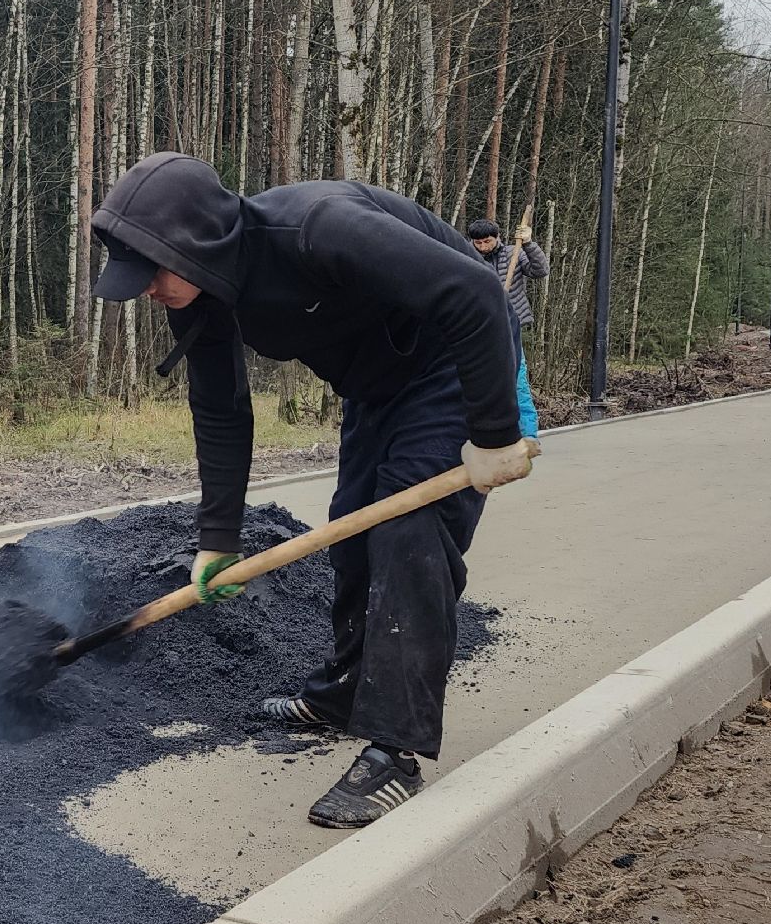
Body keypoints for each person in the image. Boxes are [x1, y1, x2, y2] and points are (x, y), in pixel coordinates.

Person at [90, 152, 534, 829]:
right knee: (351, 530)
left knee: (409, 531)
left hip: (454, 362)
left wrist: (496, 431)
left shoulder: (317, 228)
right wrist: (218, 541)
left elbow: (475, 294)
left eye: (151, 271)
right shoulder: (202, 296)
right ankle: (346, 693)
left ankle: (397, 751)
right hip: (378, 388)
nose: (146, 290)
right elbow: (220, 411)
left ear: (195, 242)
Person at [466, 219, 546, 439]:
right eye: (478, 242)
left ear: (497, 237)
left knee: (517, 381)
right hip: (481, 328)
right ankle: (487, 434)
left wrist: (529, 244)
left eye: (487, 241)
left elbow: (540, 270)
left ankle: (528, 435)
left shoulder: (514, 253)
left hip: (512, 328)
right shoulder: (467, 258)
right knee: (479, 383)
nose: (483, 247)